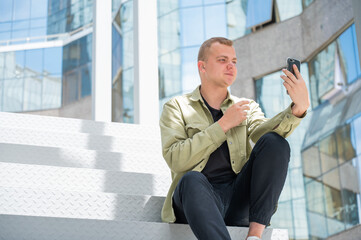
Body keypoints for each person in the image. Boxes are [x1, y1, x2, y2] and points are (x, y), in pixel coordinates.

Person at [159, 37, 309, 240]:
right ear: (202, 67)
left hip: (238, 200)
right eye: (222, 60)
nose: (231, 66)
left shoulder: (246, 106)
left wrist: (298, 108)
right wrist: (223, 125)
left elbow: (265, 135)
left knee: (275, 142)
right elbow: (175, 159)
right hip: (198, 201)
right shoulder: (176, 107)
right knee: (190, 180)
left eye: (234, 61)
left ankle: (255, 236)